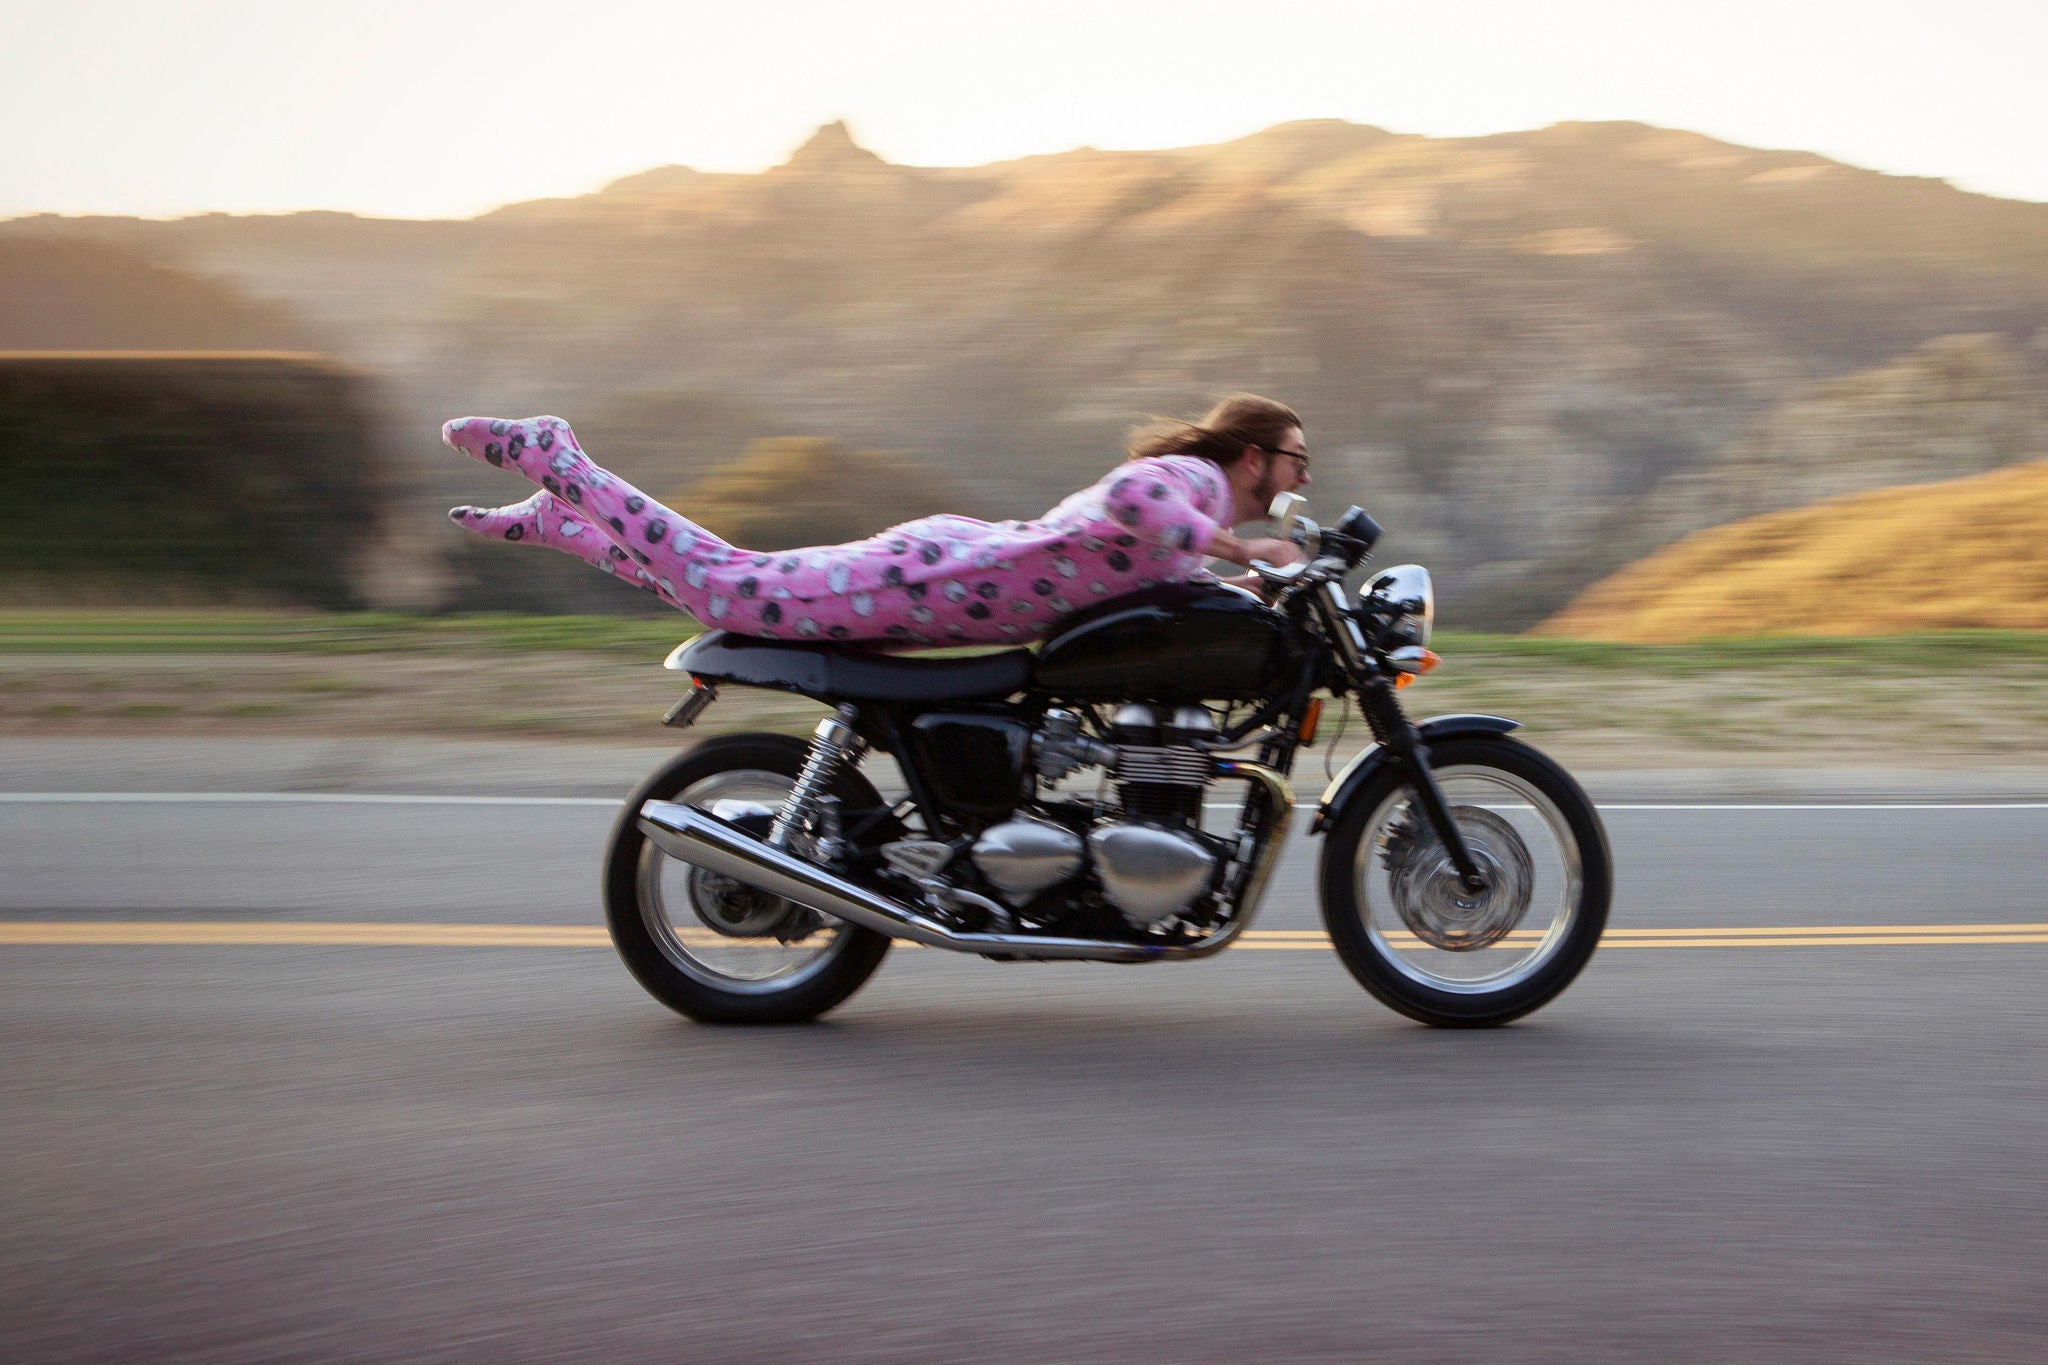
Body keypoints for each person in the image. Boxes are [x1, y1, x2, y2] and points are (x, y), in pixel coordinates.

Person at [444, 393, 1314, 645]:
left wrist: (1248, 582)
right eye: (1295, 460)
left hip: (959, 575)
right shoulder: (1193, 481)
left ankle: (568, 523)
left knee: (728, 586)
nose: (1301, 475)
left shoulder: (1196, 508)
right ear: (1254, 458)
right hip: (941, 581)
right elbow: (1132, 502)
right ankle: (563, 460)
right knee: (724, 588)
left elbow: (1147, 564)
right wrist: (1243, 543)